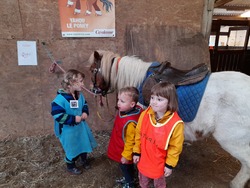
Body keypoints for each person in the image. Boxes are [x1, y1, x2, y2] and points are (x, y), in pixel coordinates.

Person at [133, 81, 184, 188]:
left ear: (170, 101)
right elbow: (138, 133)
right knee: (143, 182)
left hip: (159, 164)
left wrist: (169, 165)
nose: (154, 102)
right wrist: (136, 152)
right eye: (152, 98)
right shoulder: (145, 114)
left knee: (159, 184)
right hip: (144, 160)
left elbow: (175, 147)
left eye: (159, 99)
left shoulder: (176, 124)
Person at [51, 69, 97, 175]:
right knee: (72, 147)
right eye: (80, 81)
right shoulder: (59, 100)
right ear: (71, 83)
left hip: (80, 127)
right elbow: (57, 115)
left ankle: (84, 160)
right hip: (68, 131)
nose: (83, 84)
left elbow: (84, 104)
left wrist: (85, 112)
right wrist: (72, 119)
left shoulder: (79, 96)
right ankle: (70, 165)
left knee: (83, 142)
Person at [107, 87, 143, 188]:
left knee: (125, 167)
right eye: (118, 99)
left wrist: (126, 156)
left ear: (132, 104)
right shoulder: (127, 110)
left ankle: (130, 183)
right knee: (128, 167)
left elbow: (130, 142)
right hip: (119, 144)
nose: (118, 103)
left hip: (124, 151)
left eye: (122, 101)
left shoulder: (130, 123)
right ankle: (131, 178)